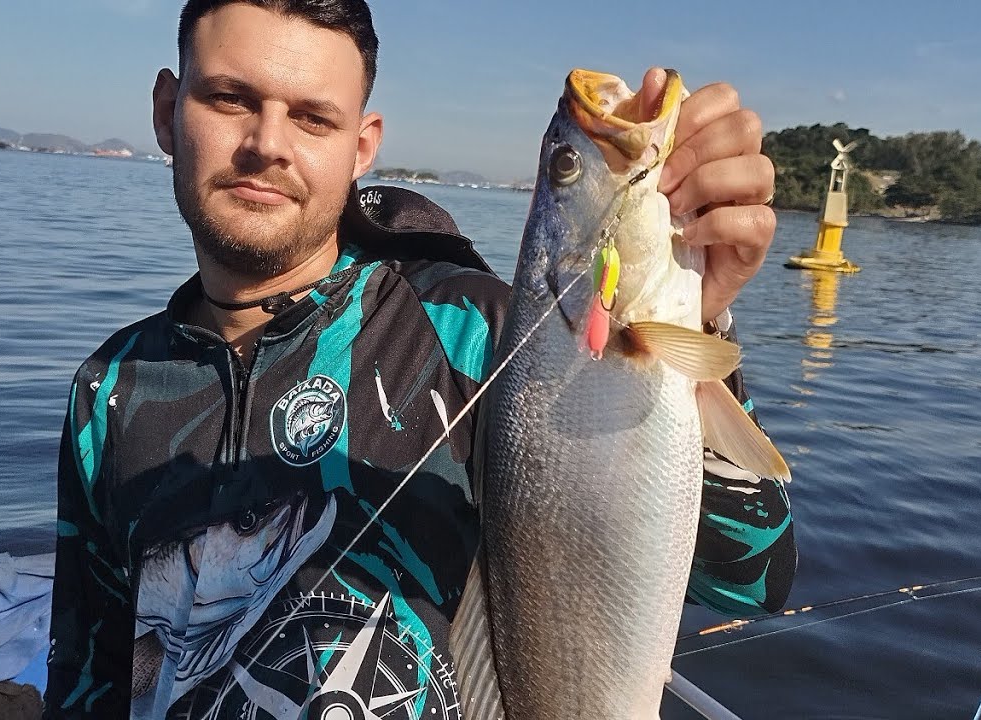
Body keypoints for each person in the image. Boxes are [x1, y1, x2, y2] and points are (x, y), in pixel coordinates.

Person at [42, 1, 796, 717]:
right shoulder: (109, 389)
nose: (267, 143)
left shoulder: (482, 334)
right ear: (167, 110)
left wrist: (701, 332)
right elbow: (91, 675)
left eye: (312, 116)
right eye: (231, 99)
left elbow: (751, 579)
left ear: (361, 145)